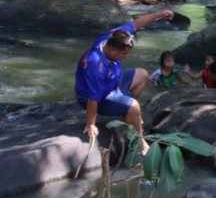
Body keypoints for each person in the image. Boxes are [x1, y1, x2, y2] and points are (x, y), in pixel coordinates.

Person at [75, 9, 175, 157]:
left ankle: (127, 113)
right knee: (134, 106)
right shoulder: (95, 65)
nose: (125, 57)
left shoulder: (114, 36)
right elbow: (92, 98)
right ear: (113, 50)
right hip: (99, 97)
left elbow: (135, 24)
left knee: (142, 74)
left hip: (112, 83)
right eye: (124, 54)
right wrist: (91, 124)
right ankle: (142, 143)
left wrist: (158, 14)